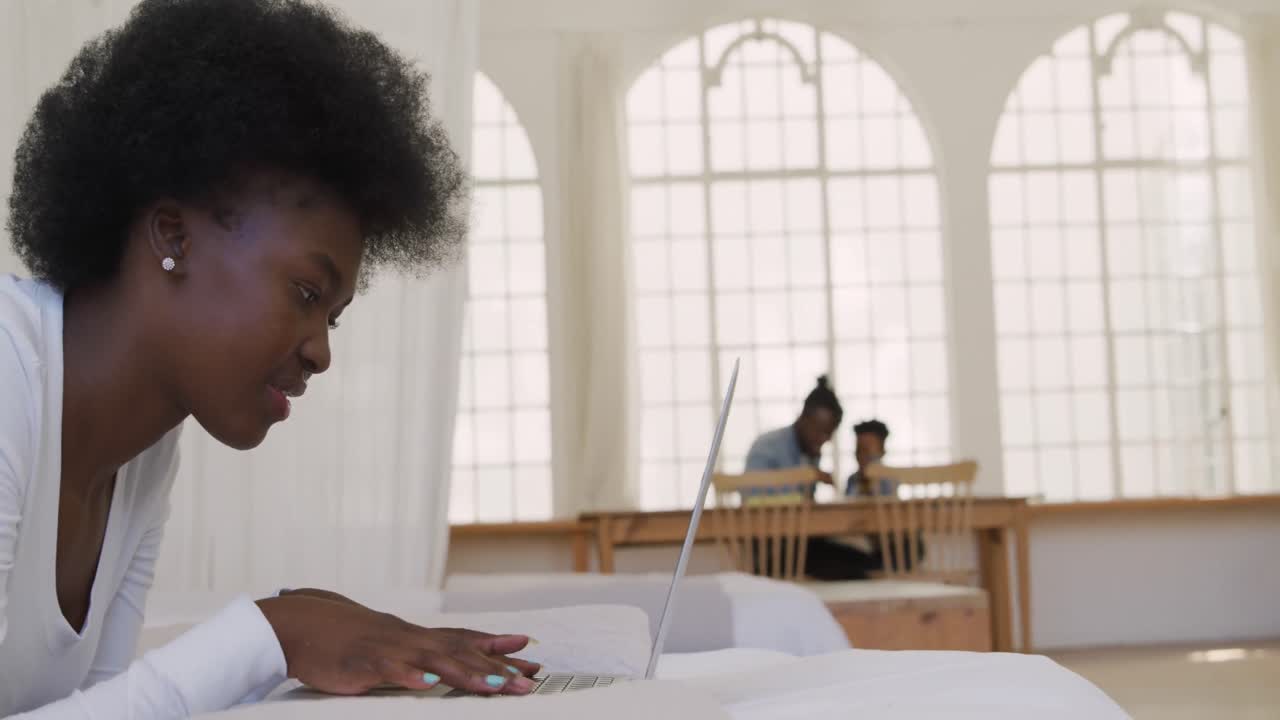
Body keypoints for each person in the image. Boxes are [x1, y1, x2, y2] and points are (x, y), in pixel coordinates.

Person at [0, 1, 541, 717]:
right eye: (307, 292)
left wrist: (293, 646)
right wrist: (271, 635)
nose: (321, 352)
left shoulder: (143, 459)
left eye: (332, 316)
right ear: (174, 236)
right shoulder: (8, 370)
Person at [742, 377, 881, 580]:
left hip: (805, 543)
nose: (823, 439)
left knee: (869, 563)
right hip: (774, 550)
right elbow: (753, 499)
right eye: (819, 431)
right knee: (849, 569)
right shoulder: (767, 447)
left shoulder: (810, 452)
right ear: (803, 418)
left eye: (828, 434)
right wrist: (808, 477)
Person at [846, 419, 893, 497]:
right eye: (858, 450)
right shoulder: (852, 479)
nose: (862, 456)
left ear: (882, 451)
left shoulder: (890, 479)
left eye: (866, 451)